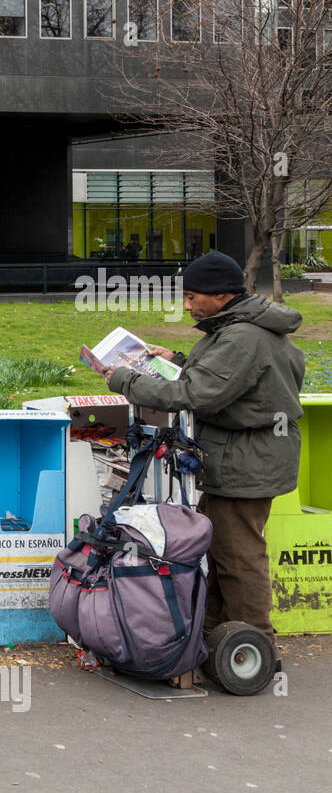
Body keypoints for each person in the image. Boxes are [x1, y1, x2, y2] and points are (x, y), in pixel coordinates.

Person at [89, 250, 305, 665]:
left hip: (248, 461)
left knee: (239, 556)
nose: (187, 305)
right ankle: (217, 638)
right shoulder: (242, 329)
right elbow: (230, 383)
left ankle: (253, 647)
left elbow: (194, 396)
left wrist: (123, 379)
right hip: (246, 456)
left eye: (192, 296)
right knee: (224, 548)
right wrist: (180, 362)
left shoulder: (243, 337)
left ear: (222, 295)